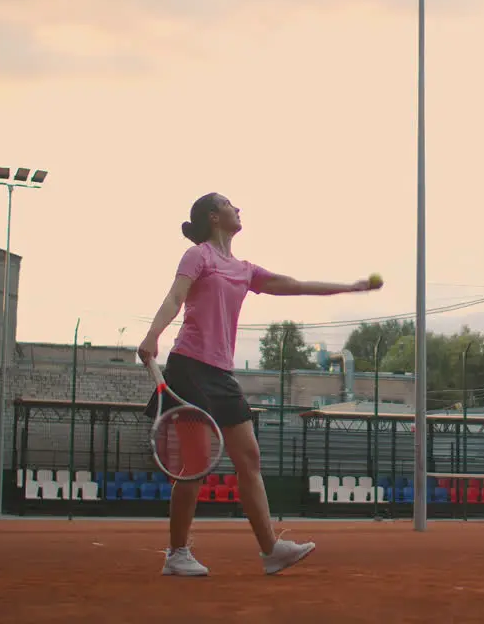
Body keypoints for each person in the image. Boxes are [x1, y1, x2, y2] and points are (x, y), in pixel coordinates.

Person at [137, 192, 382, 577]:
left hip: (222, 374)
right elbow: (175, 296)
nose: (239, 209)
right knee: (197, 465)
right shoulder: (197, 256)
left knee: (249, 458)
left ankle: (271, 550)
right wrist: (153, 335)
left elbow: (296, 284)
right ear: (215, 216)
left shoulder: (244, 269)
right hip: (188, 369)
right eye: (232, 204)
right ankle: (177, 553)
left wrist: (348, 287)